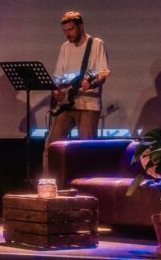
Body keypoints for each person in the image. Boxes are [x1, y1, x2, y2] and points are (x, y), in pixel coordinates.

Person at [43, 11, 110, 173]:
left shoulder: (96, 44)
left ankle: (86, 183)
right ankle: (49, 182)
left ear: (81, 26)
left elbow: (102, 74)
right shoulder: (65, 47)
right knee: (51, 146)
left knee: (86, 149)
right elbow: (58, 76)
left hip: (88, 104)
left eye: (71, 29)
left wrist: (91, 83)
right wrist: (56, 91)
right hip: (65, 104)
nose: (67, 34)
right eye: (65, 31)